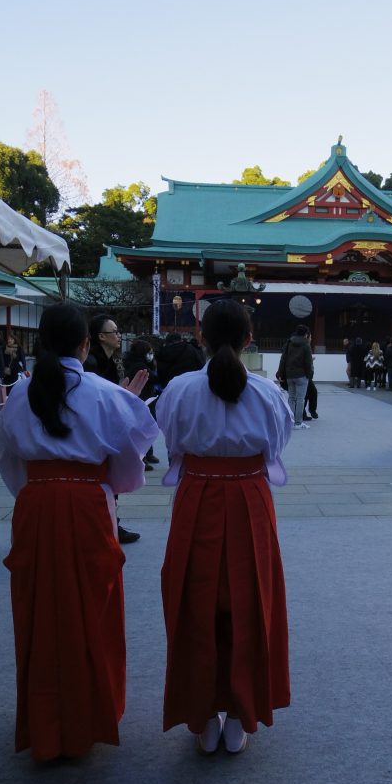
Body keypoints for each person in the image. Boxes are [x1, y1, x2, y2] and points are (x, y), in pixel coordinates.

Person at [0, 303, 158, 761]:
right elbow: (128, 462)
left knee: (38, 608)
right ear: (85, 344)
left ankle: (45, 721)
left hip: (37, 506)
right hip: (86, 504)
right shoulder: (104, 393)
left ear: (41, 341)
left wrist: (37, 491)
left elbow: (7, 456)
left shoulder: (21, 394)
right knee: (92, 607)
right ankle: (88, 716)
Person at [156, 299, 293, 756]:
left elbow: (172, 443)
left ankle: (203, 716)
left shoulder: (178, 389)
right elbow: (276, 447)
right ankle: (239, 713)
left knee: (195, 606)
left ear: (202, 338)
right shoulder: (268, 393)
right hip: (249, 497)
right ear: (249, 340)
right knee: (251, 603)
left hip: (197, 496)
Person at [84, 315, 142, 543]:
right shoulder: (92, 363)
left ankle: (111, 523)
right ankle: (107, 525)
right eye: (114, 331)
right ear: (100, 337)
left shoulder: (109, 361)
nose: (118, 335)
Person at [123, 338, 161, 470]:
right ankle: (142, 457)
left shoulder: (135, 363)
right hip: (143, 399)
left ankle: (148, 454)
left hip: (145, 398)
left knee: (145, 427)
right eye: (149, 352)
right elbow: (154, 378)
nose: (151, 355)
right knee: (143, 429)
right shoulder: (140, 366)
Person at [277, 324, 313, 428]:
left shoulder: (289, 343)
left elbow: (283, 358)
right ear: (306, 334)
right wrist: (309, 374)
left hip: (289, 374)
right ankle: (298, 422)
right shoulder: (306, 344)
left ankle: (290, 421)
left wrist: (280, 372)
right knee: (300, 399)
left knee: (291, 398)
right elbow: (308, 362)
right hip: (301, 375)